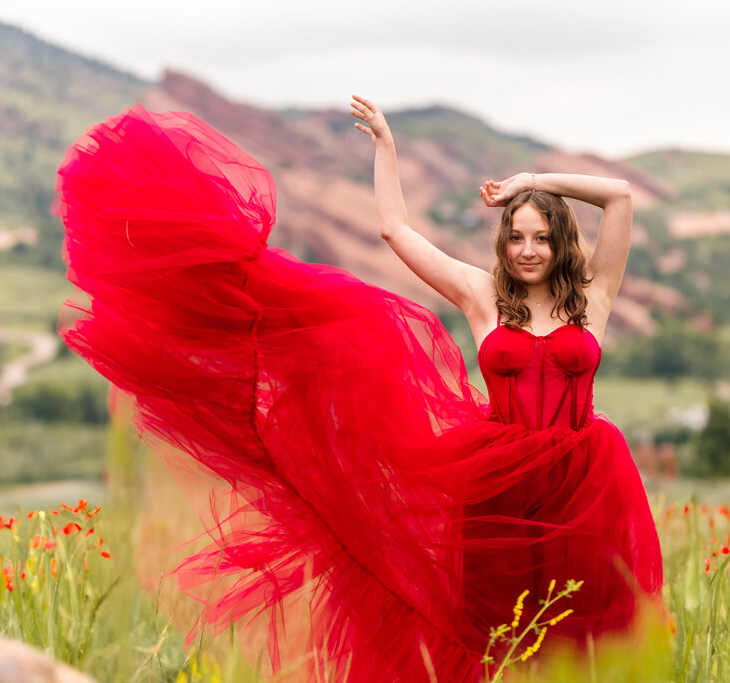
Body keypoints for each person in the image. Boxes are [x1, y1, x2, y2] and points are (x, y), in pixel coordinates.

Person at [54, 100, 662, 683]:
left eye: (541, 237)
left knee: (586, 638)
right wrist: (386, 146)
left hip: (584, 488)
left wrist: (532, 179)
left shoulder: (592, 300)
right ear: (502, 243)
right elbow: (395, 230)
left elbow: (620, 195)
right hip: (497, 489)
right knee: (492, 634)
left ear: (560, 242)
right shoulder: (483, 297)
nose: (528, 250)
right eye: (516, 237)